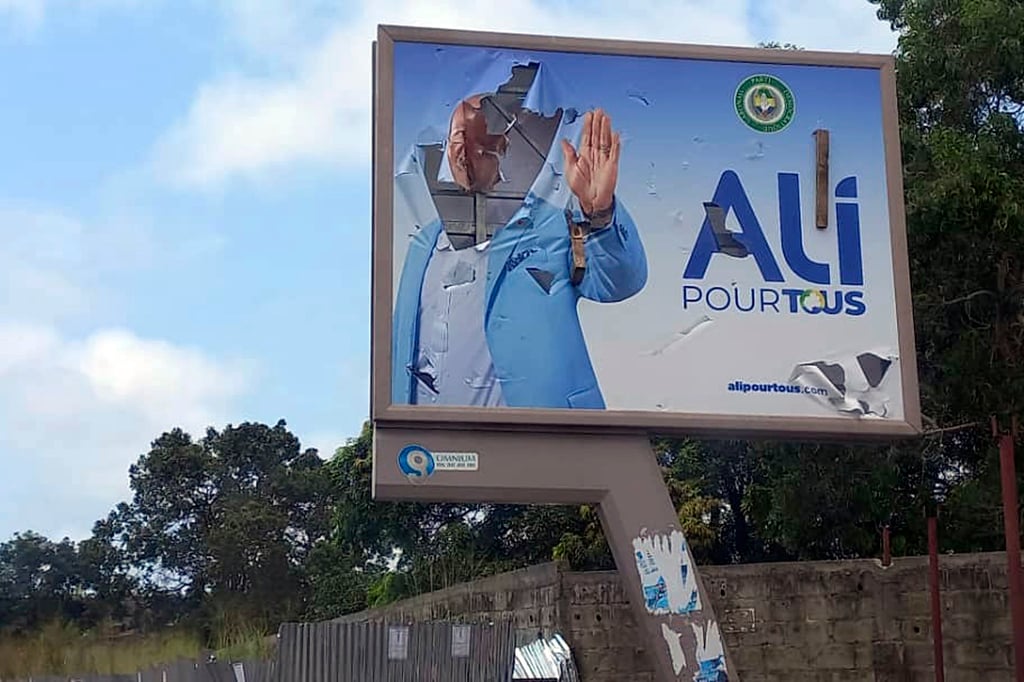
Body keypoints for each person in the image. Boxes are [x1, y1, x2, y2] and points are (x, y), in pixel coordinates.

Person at [391, 64, 648, 410]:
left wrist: (599, 215)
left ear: (503, 149)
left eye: (479, 145)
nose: (462, 154)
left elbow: (620, 282)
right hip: (433, 452)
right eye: (456, 142)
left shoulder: (553, 226)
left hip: (544, 445)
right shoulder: (423, 244)